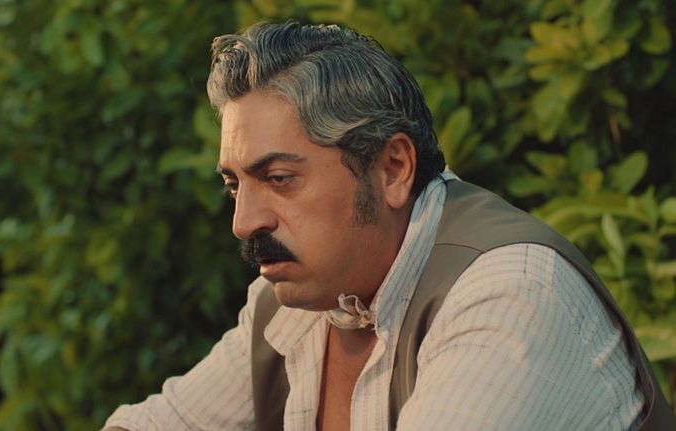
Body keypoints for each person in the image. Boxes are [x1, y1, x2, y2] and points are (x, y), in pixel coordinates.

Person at [104, 22, 674, 430]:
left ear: (393, 169)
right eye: (235, 185)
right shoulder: (298, 301)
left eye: (278, 178)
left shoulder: (510, 293)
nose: (243, 222)